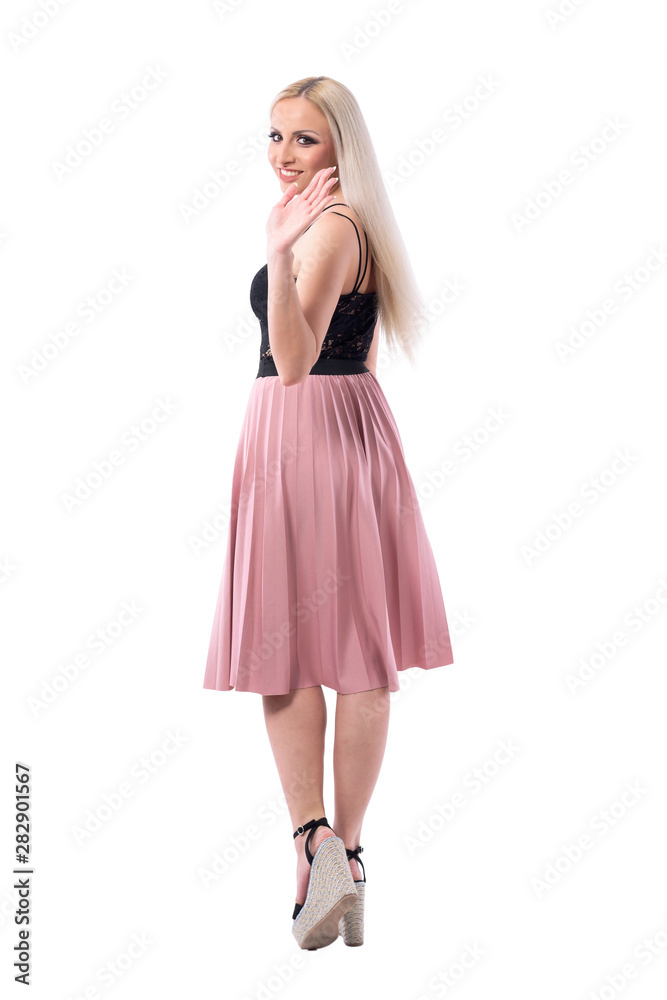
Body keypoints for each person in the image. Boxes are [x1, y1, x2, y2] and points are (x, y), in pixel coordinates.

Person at [203, 76, 454, 950]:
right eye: (274, 136)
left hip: (300, 424)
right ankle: (342, 855)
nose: (282, 156)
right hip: (342, 434)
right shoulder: (354, 226)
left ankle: (316, 846)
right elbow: (364, 355)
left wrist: (277, 251)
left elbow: (297, 358)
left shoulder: (329, 230)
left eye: (304, 140)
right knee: (341, 648)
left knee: (301, 649)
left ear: (341, 147)